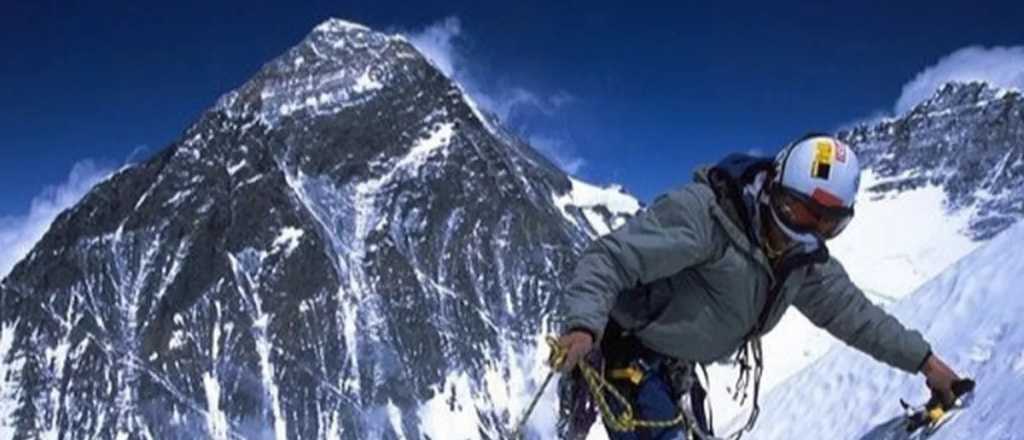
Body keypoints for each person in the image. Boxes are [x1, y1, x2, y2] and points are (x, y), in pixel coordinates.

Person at [555, 134, 965, 439]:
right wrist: (583, 327)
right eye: (801, 210)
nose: (808, 229)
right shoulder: (705, 217)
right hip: (626, 355)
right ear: (772, 188)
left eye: (829, 223)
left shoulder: (801, 260)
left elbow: (857, 318)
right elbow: (609, 258)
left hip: (675, 369)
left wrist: (926, 363)